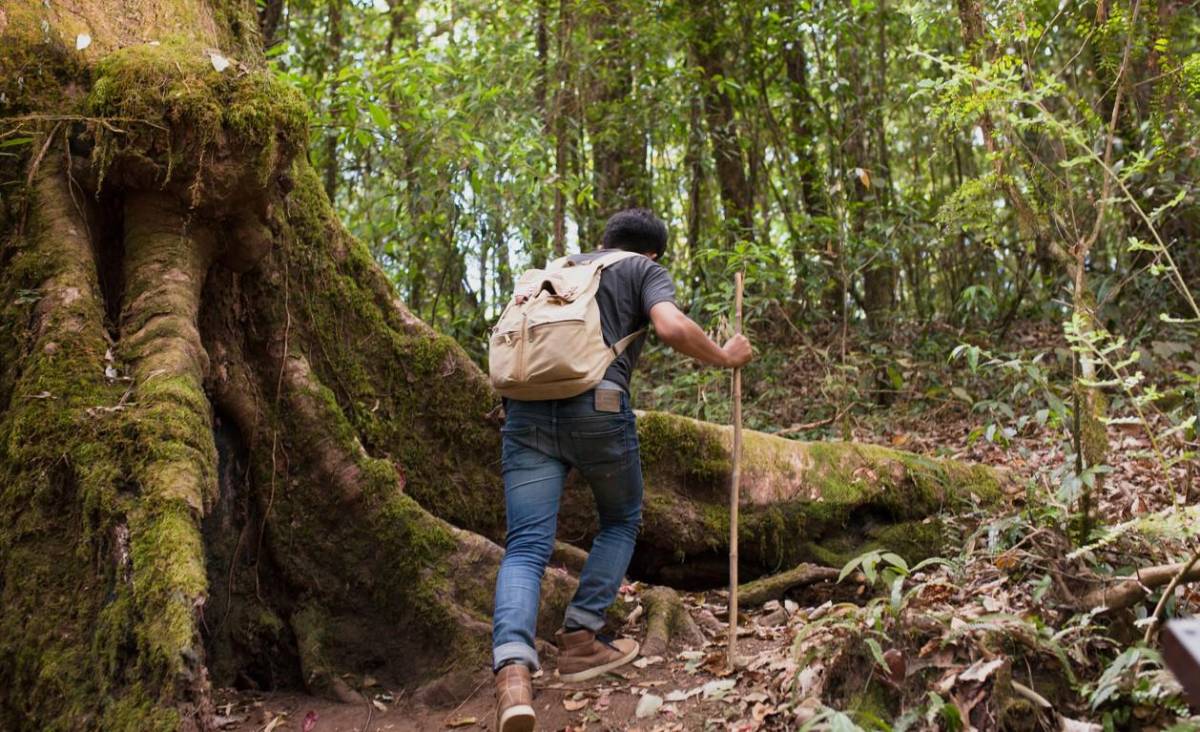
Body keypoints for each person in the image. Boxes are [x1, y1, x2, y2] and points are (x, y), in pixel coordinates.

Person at [492, 208, 753, 732]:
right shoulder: (641, 269)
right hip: (598, 410)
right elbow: (670, 325)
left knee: (525, 546)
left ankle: (513, 677)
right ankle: (581, 639)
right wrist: (726, 357)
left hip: (523, 414)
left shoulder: (561, 269)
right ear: (651, 252)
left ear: (602, 241)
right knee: (621, 519)